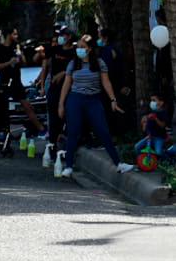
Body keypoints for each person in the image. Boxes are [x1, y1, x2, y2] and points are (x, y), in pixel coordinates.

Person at [58, 35, 135, 177]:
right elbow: (66, 85)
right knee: (73, 132)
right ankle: (68, 166)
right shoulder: (73, 64)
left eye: (82, 47)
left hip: (93, 100)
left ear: (90, 49)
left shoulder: (99, 63)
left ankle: (119, 164)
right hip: (75, 99)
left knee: (103, 131)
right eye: (78, 47)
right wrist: (61, 104)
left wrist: (113, 100)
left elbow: (106, 82)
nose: (79, 50)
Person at [0, 27, 43, 136]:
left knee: (27, 106)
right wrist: (9, 62)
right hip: (4, 82)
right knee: (1, 108)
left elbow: (24, 63)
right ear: (8, 35)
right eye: (14, 34)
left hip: (16, 82)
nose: (16, 36)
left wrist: (21, 56)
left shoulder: (17, 47)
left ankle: (41, 129)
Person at [36, 25, 76, 153]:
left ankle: (66, 145)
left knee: (67, 116)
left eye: (63, 35)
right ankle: (52, 145)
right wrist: (42, 86)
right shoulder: (54, 50)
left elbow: (78, 69)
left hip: (69, 88)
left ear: (69, 37)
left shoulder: (75, 52)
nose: (60, 37)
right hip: (54, 87)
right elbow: (43, 65)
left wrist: (64, 73)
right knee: (53, 118)